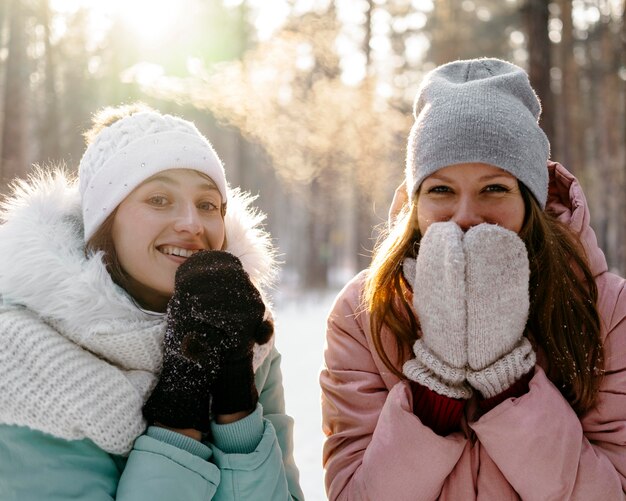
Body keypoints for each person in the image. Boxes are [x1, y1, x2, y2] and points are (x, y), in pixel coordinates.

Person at [320, 58, 626, 500]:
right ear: (416, 203)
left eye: (494, 188)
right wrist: (434, 391)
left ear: (531, 201)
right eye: (441, 189)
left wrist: (508, 384)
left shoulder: (607, 309)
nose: (465, 215)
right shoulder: (365, 311)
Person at [0, 104, 304, 500]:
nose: (192, 224)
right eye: (159, 199)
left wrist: (236, 405)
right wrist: (180, 412)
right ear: (104, 221)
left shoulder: (244, 333)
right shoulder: (21, 355)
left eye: (208, 204)